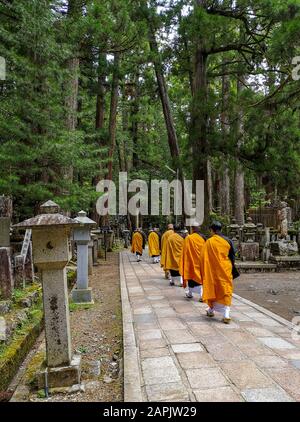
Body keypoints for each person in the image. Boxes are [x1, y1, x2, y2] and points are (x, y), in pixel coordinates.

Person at [200, 221, 236, 324]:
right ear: (221, 230)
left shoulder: (209, 242)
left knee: (213, 289)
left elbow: (203, 258)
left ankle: (211, 309)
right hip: (225, 269)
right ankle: (226, 314)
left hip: (213, 271)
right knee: (226, 290)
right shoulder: (228, 241)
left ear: (212, 230)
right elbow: (232, 256)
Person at [179, 222, 206, 301]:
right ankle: (201, 295)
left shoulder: (188, 238)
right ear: (199, 228)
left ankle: (191, 294)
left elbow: (185, 252)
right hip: (201, 262)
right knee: (200, 278)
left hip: (191, 262)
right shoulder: (203, 237)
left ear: (192, 229)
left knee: (191, 278)